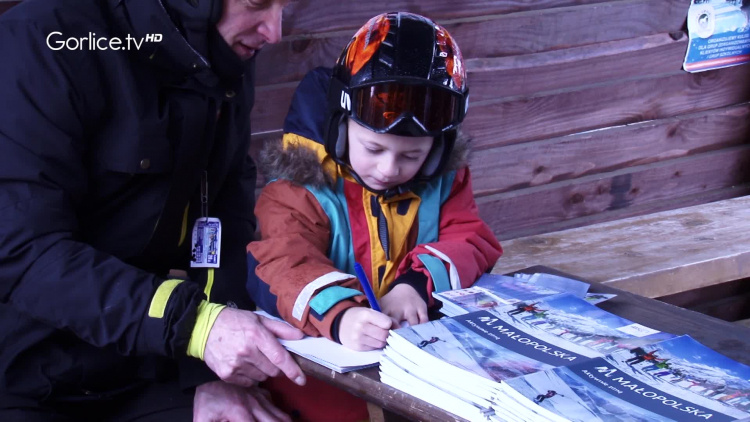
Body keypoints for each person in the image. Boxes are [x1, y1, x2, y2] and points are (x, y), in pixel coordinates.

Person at [0, 0, 308, 420]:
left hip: (137, 359)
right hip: (21, 369)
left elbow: (222, 219)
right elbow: (24, 252)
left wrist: (208, 372)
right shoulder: (42, 39)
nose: (274, 32)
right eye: (257, 3)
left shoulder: (221, 54)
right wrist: (197, 327)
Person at [245, 11, 503, 420]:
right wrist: (341, 315)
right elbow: (283, 258)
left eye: (411, 156)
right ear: (340, 126)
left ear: (437, 148)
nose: (388, 169)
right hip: (317, 372)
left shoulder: (444, 179)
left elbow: (469, 237)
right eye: (374, 149)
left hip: (413, 365)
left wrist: (416, 286)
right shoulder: (300, 184)